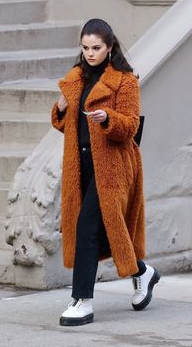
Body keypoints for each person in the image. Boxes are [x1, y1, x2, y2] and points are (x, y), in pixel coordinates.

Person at [51, 18, 160, 327]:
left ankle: (81, 300)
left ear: (110, 47)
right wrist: (60, 107)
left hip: (113, 167)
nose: (90, 53)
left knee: (86, 227)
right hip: (82, 166)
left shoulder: (125, 80)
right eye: (85, 48)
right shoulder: (76, 78)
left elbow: (130, 125)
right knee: (106, 231)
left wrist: (107, 118)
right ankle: (142, 273)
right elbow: (63, 125)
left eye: (96, 48)